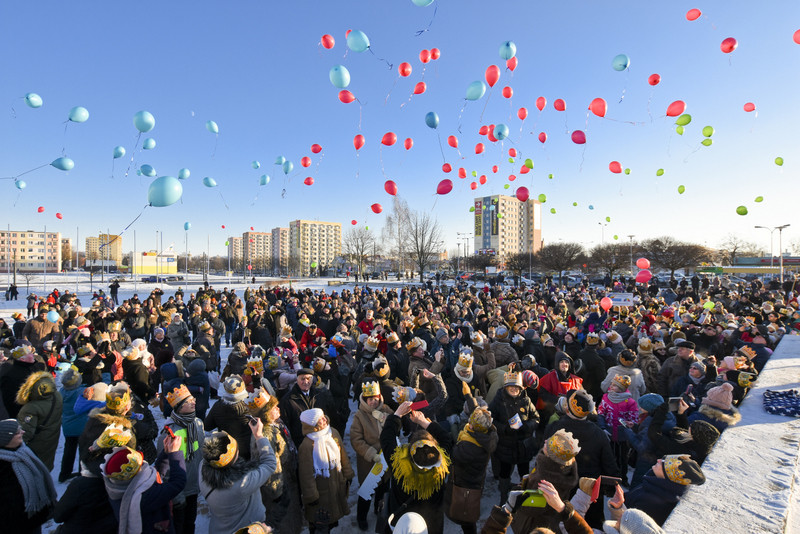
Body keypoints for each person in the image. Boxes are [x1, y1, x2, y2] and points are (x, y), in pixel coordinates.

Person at [380, 400, 453, 534]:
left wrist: (397, 415)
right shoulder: (442, 465)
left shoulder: (399, 465)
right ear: (436, 449)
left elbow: (386, 438)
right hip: (432, 526)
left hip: (402, 524)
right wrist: (424, 422)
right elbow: (447, 439)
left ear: (409, 452)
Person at [200, 419, 278, 533]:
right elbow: (270, 463)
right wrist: (259, 436)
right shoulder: (242, 484)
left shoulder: (202, 467)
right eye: (237, 451)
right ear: (233, 458)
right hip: (244, 529)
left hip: (218, 528)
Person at [102, 435, 187, 534]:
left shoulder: (117, 486)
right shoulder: (144, 497)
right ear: (135, 473)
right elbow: (178, 482)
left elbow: (155, 473)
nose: (143, 464)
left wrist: (166, 452)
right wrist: (174, 453)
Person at [247, 388, 303, 534]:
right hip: (281, 487)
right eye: (274, 407)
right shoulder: (266, 435)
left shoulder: (276, 424)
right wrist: (279, 495)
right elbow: (272, 469)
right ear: (266, 414)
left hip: (288, 478)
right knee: (286, 522)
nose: (278, 408)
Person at [445, 384, 497, 534]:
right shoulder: (489, 434)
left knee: (465, 515)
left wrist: (453, 428)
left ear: (472, 428)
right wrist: (469, 396)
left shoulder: (468, 448)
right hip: (477, 480)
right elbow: (478, 414)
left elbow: (452, 452)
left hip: (464, 484)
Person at [298, 408, 355, 533]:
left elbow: (343, 455)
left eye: (324, 416)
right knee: (320, 522)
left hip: (336, 484)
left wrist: (348, 472)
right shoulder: (307, 445)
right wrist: (311, 496)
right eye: (320, 419)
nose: (325, 419)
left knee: (331, 520)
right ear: (312, 424)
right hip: (320, 491)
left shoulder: (332, 433)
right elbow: (306, 474)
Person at [489, 368, 539, 505]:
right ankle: (504, 498)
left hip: (523, 445)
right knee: (504, 472)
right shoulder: (499, 400)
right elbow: (491, 418)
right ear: (506, 387)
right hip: (506, 444)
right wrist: (504, 428)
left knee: (524, 473)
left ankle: (523, 498)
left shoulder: (526, 400)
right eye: (511, 387)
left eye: (516, 387)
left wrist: (527, 426)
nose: (513, 389)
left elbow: (536, 418)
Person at [160, 385, 205, 534]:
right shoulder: (169, 433)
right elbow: (164, 469)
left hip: (193, 484)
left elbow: (201, 451)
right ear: (179, 408)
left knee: (190, 522)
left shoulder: (197, 423)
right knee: (179, 525)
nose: (194, 402)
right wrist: (177, 495)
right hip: (179, 490)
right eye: (188, 401)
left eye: (193, 399)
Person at [0, 418, 58, 533]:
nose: (23, 432)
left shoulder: (25, 452)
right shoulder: (3, 467)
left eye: (21, 429)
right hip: (12, 524)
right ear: (6, 439)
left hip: (33, 518)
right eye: (17, 432)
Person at [350, 380, 394, 531]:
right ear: (364, 399)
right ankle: (361, 517)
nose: (373, 402)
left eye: (375, 399)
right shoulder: (359, 416)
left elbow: (395, 426)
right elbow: (356, 439)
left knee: (383, 488)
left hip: (386, 458)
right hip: (370, 462)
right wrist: (371, 454)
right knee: (367, 491)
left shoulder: (387, 410)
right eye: (370, 399)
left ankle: (379, 509)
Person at [624, 455, 705, 526]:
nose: (658, 460)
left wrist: (617, 506)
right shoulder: (655, 483)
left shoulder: (651, 501)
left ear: (669, 475)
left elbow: (629, 524)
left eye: (664, 463)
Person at [15, 370, 63, 471]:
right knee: (45, 466)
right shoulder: (57, 397)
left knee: (34, 470)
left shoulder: (30, 408)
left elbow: (25, 433)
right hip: (51, 439)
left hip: (36, 445)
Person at [204, 375, 255, 461]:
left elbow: (207, 426)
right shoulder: (250, 406)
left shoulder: (218, 406)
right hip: (248, 448)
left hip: (227, 450)